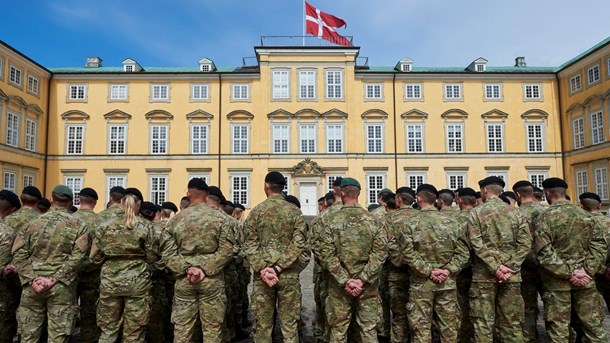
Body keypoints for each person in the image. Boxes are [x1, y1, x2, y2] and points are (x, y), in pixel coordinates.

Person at [161, 178, 235, 343]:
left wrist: (188, 269)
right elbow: (227, 249)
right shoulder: (220, 218)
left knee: (182, 331)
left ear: (188, 194)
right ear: (207, 195)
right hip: (211, 280)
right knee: (212, 331)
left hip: (185, 279)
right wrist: (205, 269)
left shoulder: (175, 220)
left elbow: (167, 252)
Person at [12, 185, 89, 343]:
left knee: (28, 337)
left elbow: (18, 254)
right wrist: (54, 279)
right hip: (61, 287)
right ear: (70, 202)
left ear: (51, 199)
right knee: (58, 337)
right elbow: (78, 257)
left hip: (33, 286)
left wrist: (32, 279)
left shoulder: (32, 223)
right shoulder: (79, 225)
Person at [534, 178, 607, 342]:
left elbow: (544, 252)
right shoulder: (586, 216)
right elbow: (599, 246)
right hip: (585, 280)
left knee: (559, 330)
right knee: (593, 328)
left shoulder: (544, 217)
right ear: (564, 192)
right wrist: (586, 271)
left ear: (547, 193)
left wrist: (568, 273)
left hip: (556, 282)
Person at [315, 177, 387, 343]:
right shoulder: (374, 220)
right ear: (359, 193)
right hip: (367, 286)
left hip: (339, 286)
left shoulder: (329, 220)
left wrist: (345, 279)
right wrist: (362, 280)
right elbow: (380, 253)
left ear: (342, 193)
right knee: (368, 331)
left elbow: (326, 254)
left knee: (338, 330)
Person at [243, 172, 308, 343]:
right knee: (289, 327)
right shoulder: (295, 212)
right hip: (288, 275)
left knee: (262, 327)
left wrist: (263, 268)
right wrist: (279, 267)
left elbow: (249, 243)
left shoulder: (256, 211)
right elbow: (299, 243)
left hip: (262, 277)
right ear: (283, 188)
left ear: (266, 185)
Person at [400, 184, 469, 342]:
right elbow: (463, 253)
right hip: (447, 283)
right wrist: (448, 270)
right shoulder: (452, 222)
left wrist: (428, 271)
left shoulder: (410, 223)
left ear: (418, 199)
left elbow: (408, 253)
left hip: (421, 284)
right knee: (449, 329)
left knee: (421, 329)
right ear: (436, 200)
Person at [90, 188, 159, 343]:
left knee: (108, 330)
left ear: (120, 202)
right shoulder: (145, 226)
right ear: (139, 204)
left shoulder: (104, 226)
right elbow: (152, 256)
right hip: (137, 282)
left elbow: (95, 257)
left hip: (110, 281)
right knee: (134, 331)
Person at [467, 176, 531, 342]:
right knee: (512, 323)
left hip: (484, 276)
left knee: (483, 324)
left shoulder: (476, 212)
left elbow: (476, 243)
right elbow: (525, 242)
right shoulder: (515, 212)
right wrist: (510, 266)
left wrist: (496, 267)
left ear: (485, 191)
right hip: (511, 276)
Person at [2, 187, 41, 342]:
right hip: (29, 271)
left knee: (7, 314)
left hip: (6, 270)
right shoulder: (40, 219)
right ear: (37, 201)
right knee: (29, 316)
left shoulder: (8, 219)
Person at [512, 180, 546, 343]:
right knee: (555, 307)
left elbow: (517, 243)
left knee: (528, 308)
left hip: (525, 267)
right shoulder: (546, 212)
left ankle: (529, 337)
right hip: (549, 266)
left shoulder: (516, 214)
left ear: (517, 194)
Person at [385, 186, 418, 343]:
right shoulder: (420, 217)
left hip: (396, 273)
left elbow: (385, 244)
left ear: (398, 199)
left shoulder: (390, 218)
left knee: (399, 316)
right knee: (420, 316)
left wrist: (399, 260)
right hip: (419, 273)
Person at [72, 187, 101, 343]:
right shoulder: (101, 221)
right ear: (95, 202)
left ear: (78, 200)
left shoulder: (70, 219)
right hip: (93, 273)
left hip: (70, 273)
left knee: (65, 315)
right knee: (89, 315)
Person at [579, 192, 610, 312]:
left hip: (586, 272)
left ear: (581, 207)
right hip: (607, 270)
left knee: (591, 312)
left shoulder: (580, 225)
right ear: (600, 205)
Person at [454, 187, 477, 343]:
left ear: (460, 200)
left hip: (460, 271)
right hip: (483, 270)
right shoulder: (482, 217)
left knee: (461, 309)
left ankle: (463, 338)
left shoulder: (454, 220)